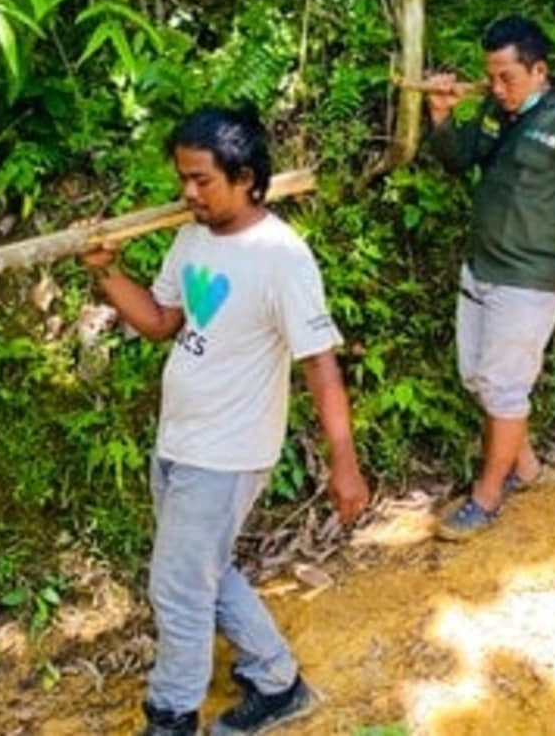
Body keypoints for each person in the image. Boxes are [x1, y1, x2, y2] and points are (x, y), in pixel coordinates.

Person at [81, 108, 370, 736]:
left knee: (178, 589)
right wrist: (106, 272)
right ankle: (277, 681)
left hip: (229, 451)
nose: (187, 194)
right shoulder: (193, 237)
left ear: (246, 178)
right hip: (178, 440)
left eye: (201, 181)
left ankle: (171, 715)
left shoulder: (282, 258)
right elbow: (163, 322)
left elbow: (321, 367)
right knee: (201, 572)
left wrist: (344, 463)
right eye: (182, 180)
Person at [420, 15, 555, 540]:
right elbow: (461, 159)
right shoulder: (495, 110)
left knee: (503, 387)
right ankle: (524, 469)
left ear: (539, 70)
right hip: (482, 265)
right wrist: (441, 118)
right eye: (492, 77)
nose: (498, 87)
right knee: (476, 377)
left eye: (508, 77)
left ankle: (486, 497)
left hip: (532, 277)